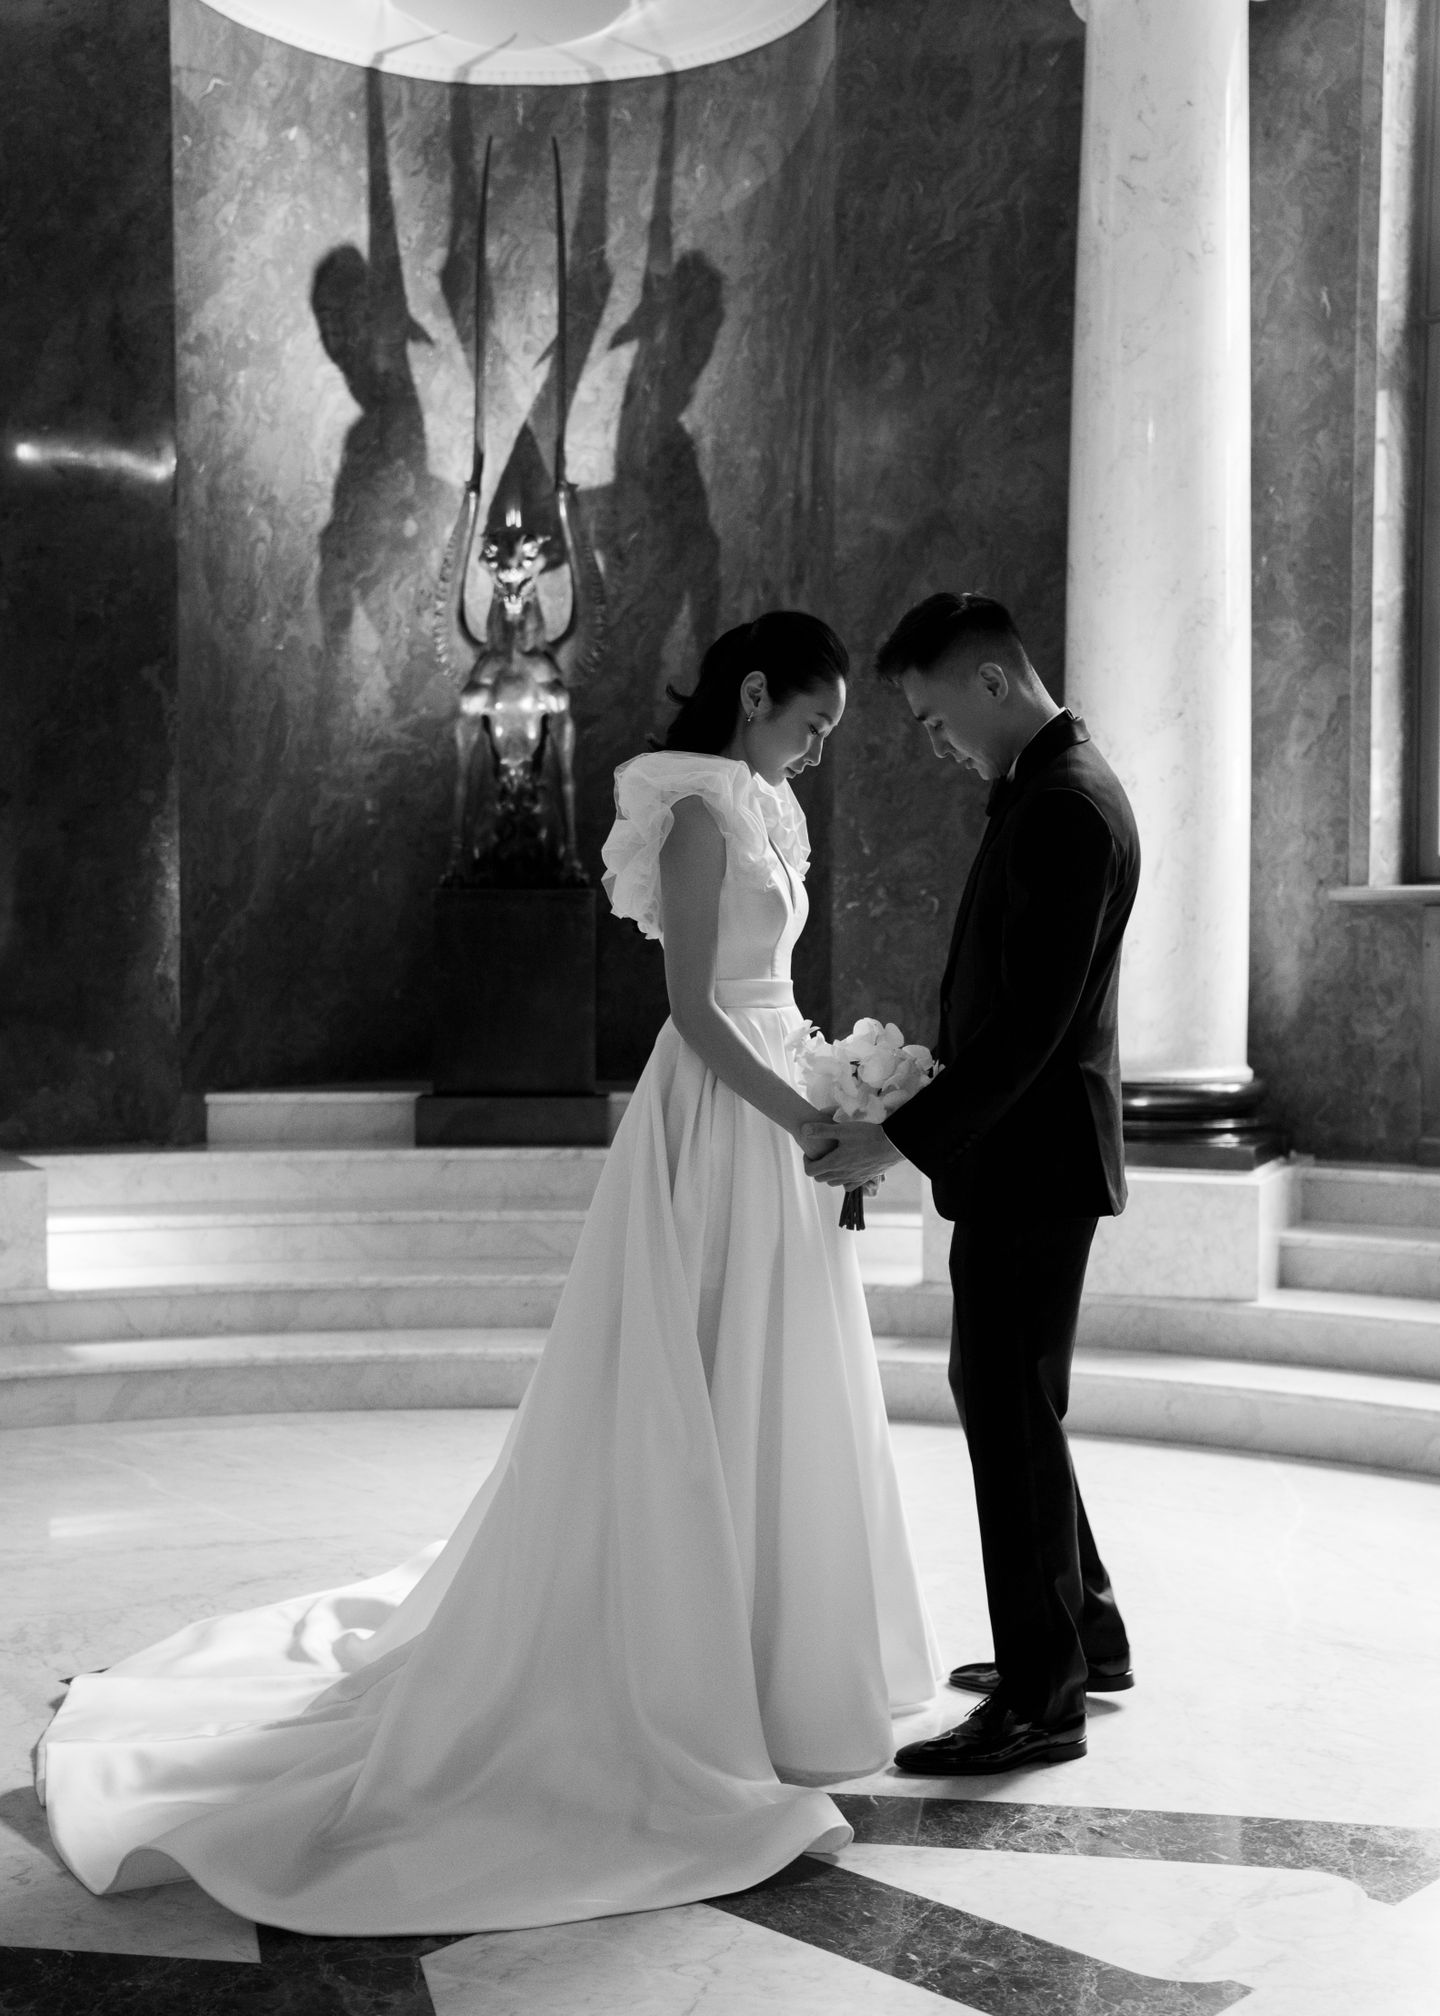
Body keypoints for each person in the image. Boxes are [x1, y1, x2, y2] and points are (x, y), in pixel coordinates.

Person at [37, 609, 941, 1935]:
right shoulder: (697, 815)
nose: (815, 753)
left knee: (774, 1373)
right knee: (697, 1369)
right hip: (718, 1116)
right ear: (756, 696)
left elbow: (771, 992)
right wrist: (804, 1114)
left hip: (776, 1103)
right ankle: (678, 1668)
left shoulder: (765, 807)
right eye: (810, 726)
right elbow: (696, 1012)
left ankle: (776, 1664)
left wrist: (837, 1072)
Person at [803, 591, 1139, 1775]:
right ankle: (1087, 1637)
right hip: (1025, 1155)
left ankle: (1043, 1700)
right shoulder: (1049, 788)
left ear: (992, 682)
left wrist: (901, 1139)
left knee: (1004, 1402)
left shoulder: (1066, 804)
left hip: (1034, 1161)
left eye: (938, 720)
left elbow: (1035, 1023)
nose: (939, 746)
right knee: (1010, 1396)